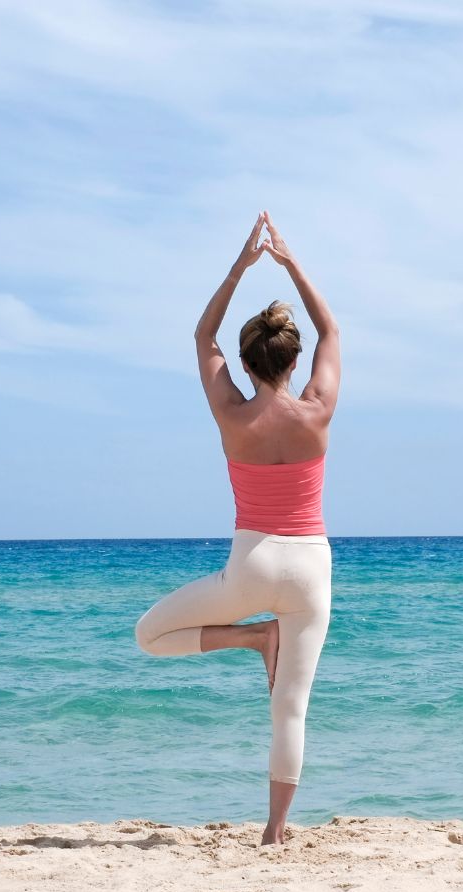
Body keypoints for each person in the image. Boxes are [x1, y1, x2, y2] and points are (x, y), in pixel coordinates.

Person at [134, 210, 341, 847]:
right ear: (293, 358)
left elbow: (204, 336)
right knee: (291, 709)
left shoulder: (231, 412)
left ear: (248, 363)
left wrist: (241, 268)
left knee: (150, 637)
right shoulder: (317, 411)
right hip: (310, 567)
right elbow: (332, 328)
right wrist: (290, 262)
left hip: (250, 564)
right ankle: (275, 834)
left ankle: (253, 640)